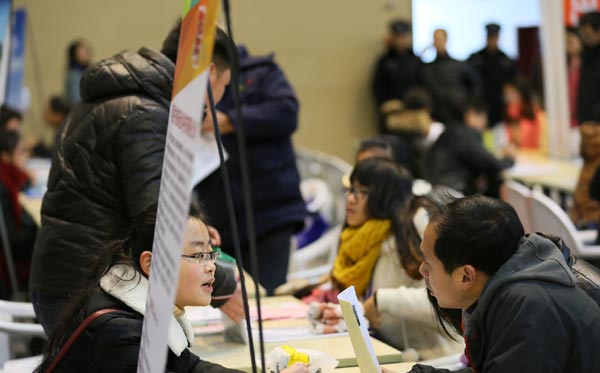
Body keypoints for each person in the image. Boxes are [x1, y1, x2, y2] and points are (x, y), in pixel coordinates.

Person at [30, 21, 241, 335]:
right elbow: (156, 222)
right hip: (87, 292)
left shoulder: (120, 100)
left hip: (72, 281)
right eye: (224, 85)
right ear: (210, 74)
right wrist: (221, 284)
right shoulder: (146, 114)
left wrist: (192, 233)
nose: (218, 100)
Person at [34, 204, 308, 373]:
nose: (211, 266)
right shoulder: (123, 331)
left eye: (211, 254)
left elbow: (190, 367)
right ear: (151, 264)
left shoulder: (138, 303)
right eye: (199, 255)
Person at [392, 196, 600, 373]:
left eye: (428, 264)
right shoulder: (506, 287)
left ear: (466, 276)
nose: (422, 271)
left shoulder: (530, 307)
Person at [194, 45, 307, 295]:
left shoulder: (261, 72)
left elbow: (287, 112)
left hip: (270, 211)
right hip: (221, 216)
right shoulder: (190, 82)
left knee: (266, 296)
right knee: (228, 297)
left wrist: (231, 121)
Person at [302, 158, 413, 304]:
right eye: (351, 190)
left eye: (363, 192)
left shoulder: (395, 244)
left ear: (386, 199)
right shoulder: (350, 236)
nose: (351, 199)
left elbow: (382, 311)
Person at [426, 101, 514, 197]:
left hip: (439, 190)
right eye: (483, 117)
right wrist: (510, 158)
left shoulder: (453, 131)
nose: (485, 123)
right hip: (451, 195)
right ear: (471, 115)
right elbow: (493, 165)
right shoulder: (464, 135)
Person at [0, 129, 36, 297]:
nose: (26, 156)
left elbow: (21, 182)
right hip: (9, 261)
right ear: (6, 156)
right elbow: (13, 239)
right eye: (21, 151)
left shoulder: (8, 175)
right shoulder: (3, 184)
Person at [572, 11, 600, 227]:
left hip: (595, 128)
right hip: (589, 127)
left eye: (586, 34)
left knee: (590, 188)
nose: (582, 38)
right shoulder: (587, 56)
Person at [372, 20, 423, 133]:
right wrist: (385, 105)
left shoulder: (415, 60)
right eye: (397, 36)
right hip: (391, 112)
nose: (400, 40)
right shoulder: (385, 61)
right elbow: (378, 86)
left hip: (412, 112)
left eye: (403, 36)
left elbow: (421, 86)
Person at [421, 29, 481, 124]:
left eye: (440, 39)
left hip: (459, 112)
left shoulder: (459, 65)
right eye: (435, 39)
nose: (438, 42)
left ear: (446, 40)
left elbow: (475, 85)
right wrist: (423, 52)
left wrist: (470, 107)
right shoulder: (427, 68)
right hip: (437, 114)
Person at [467, 23, 517, 127]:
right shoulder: (475, 58)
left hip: (500, 106)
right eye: (490, 37)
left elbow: (512, 84)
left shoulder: (506, 60)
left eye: (494, 37)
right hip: (480, 104)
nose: (492, 40)